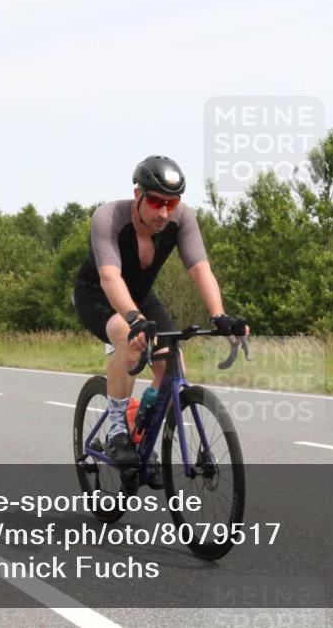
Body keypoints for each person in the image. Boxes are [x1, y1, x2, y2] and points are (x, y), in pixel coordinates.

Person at [73, 155, 249, 467]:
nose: (164, 212)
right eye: (155, 202)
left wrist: (219, 315)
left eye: (172, 202)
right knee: (128, 338)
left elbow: (200, 270)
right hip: (97, 294)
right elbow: (110, 277)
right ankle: (116, 431)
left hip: (141, 295)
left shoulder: (183, 218)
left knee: (172, 364)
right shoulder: (108, 216)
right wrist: (135, 320)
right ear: (138, 195)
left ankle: (141, 428)